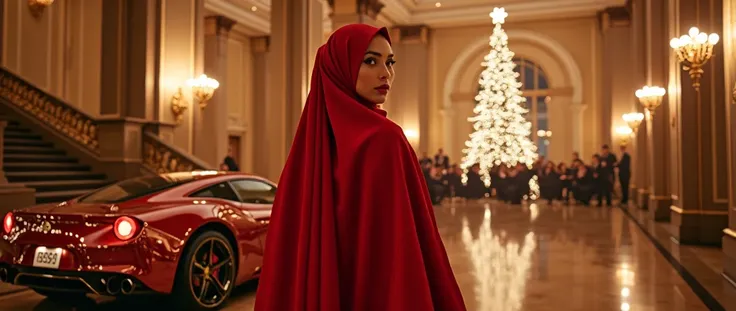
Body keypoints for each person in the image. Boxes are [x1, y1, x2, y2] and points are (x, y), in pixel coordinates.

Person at [254, 24, 466, 311]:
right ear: (340, 67)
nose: (385, 73)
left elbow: (397, 236)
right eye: (370, 61)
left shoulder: (318, 142)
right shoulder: (380, 138)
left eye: (389, 62)